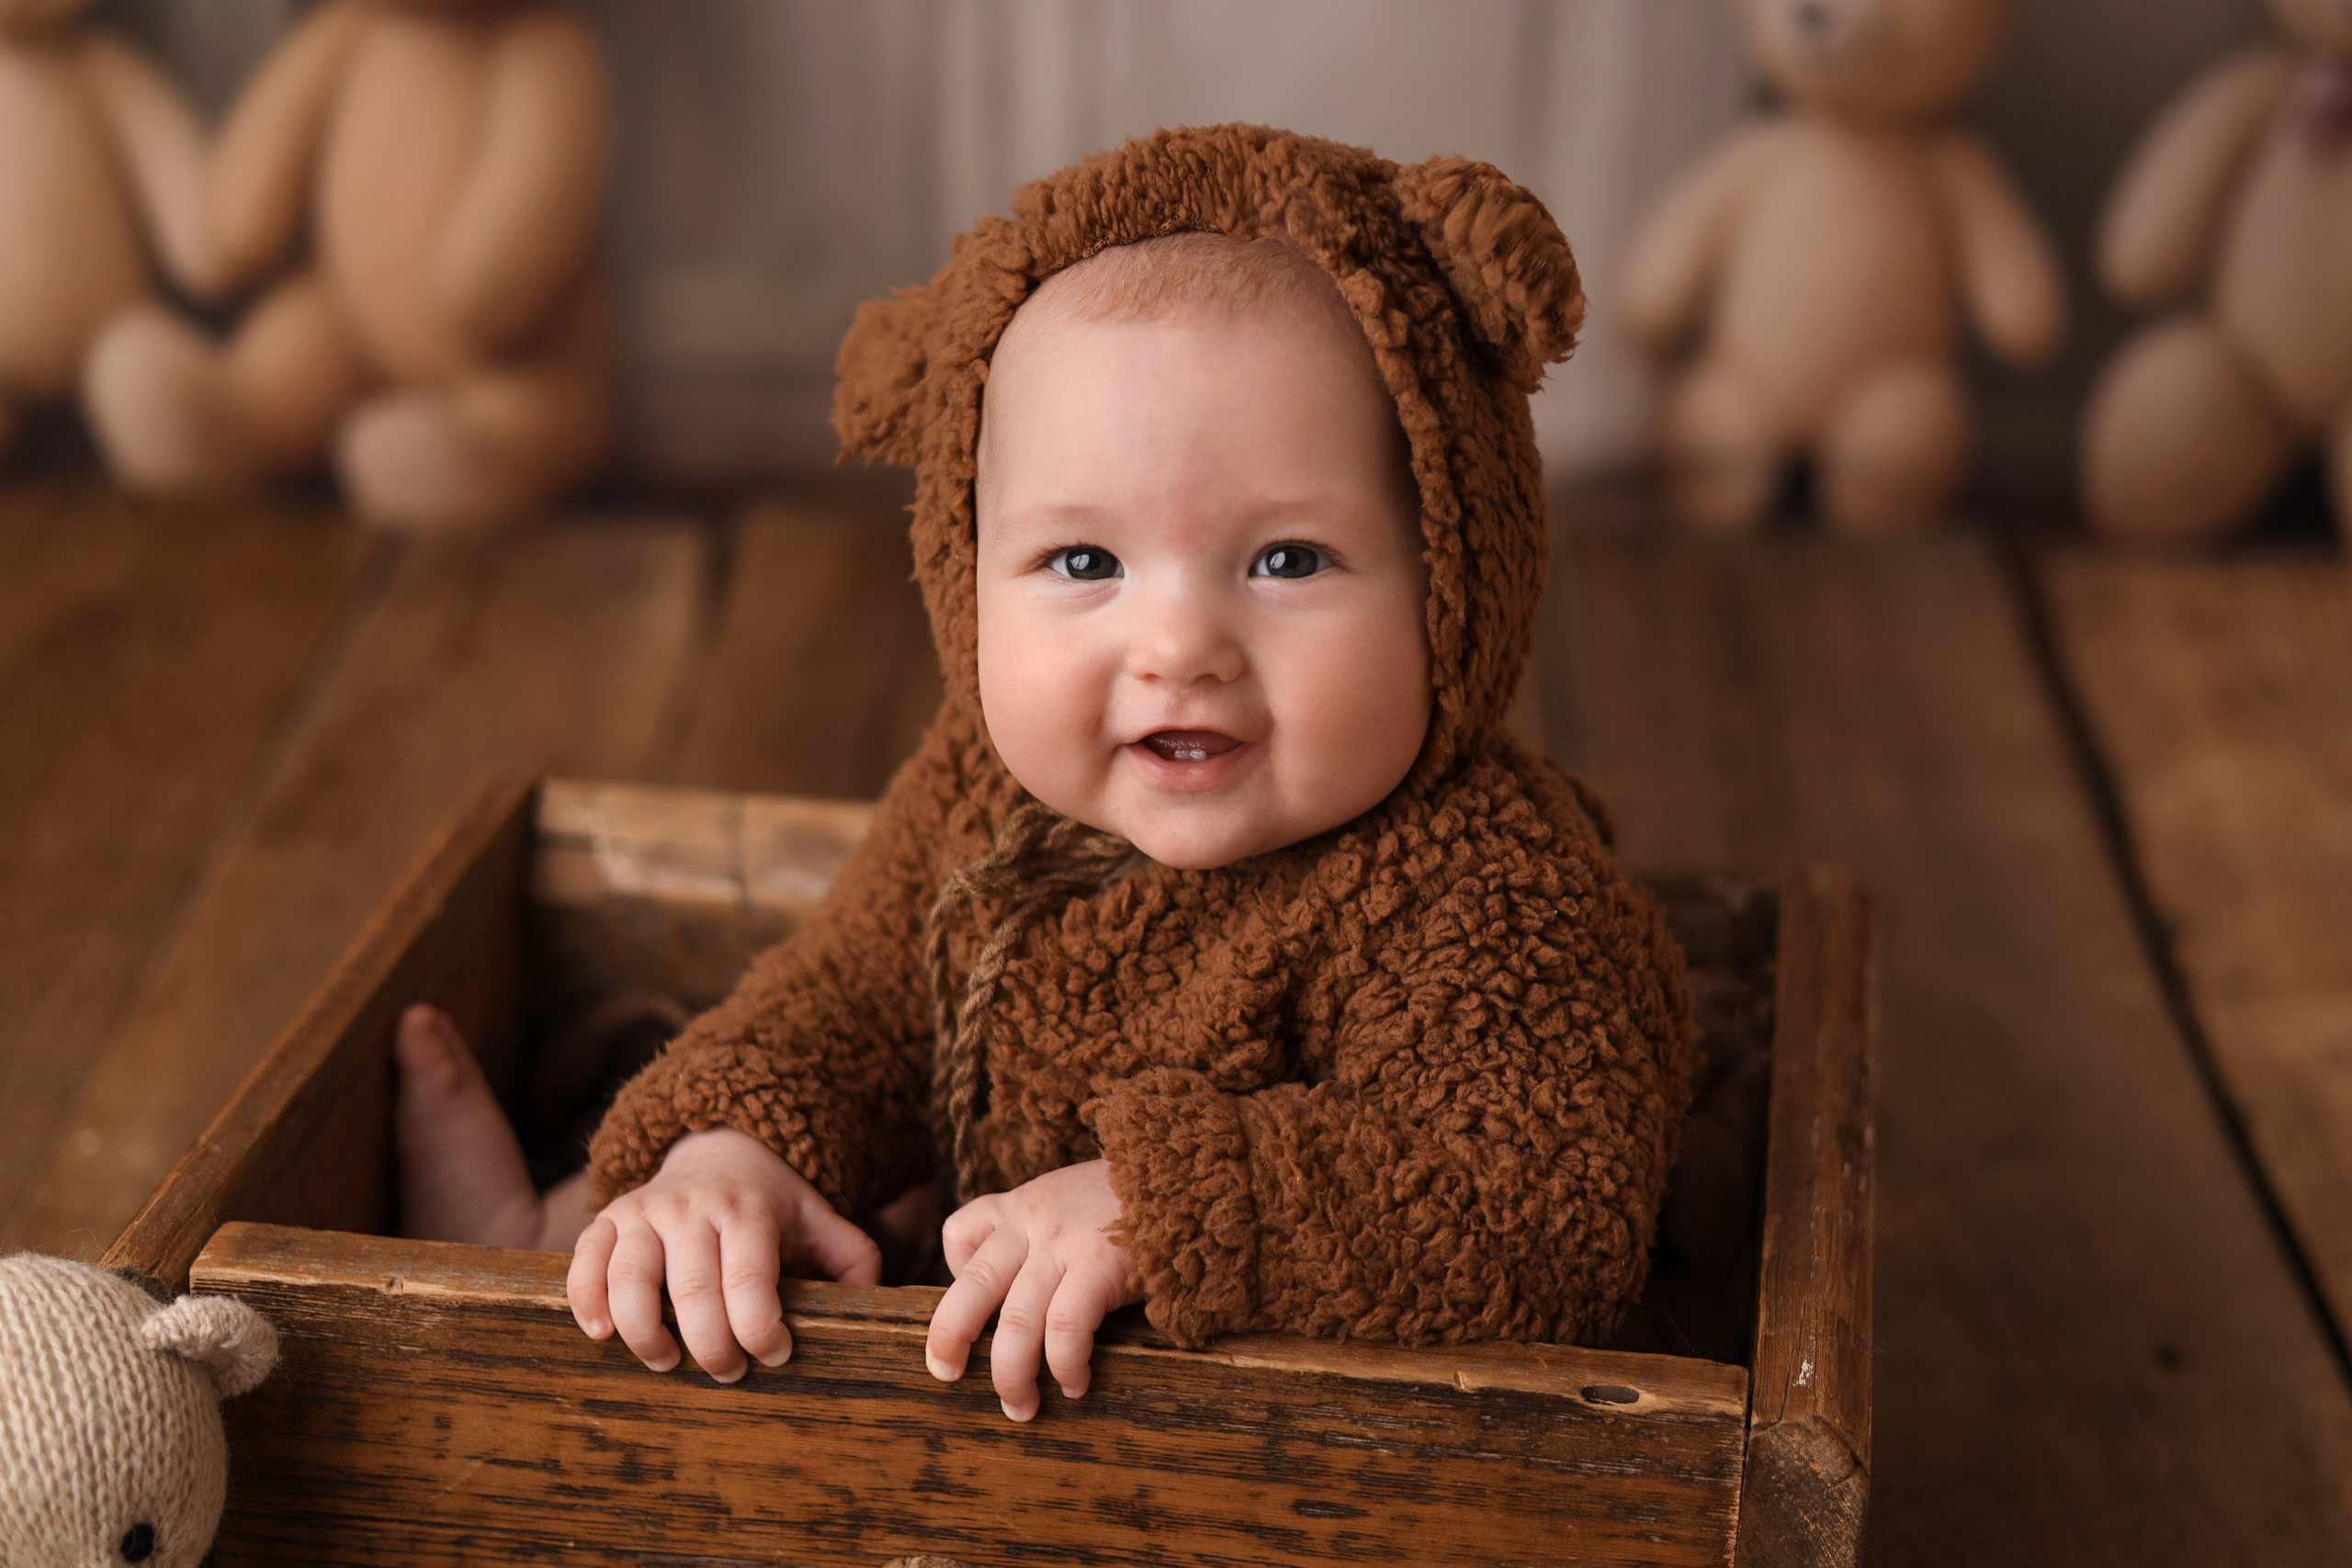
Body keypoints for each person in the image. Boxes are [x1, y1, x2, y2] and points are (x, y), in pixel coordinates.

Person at [393, 124, 1700, 1426]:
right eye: (1086, 564)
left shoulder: (1475, 887)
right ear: (968, 573)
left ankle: (543, 1235)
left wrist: (1179, 1201)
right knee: (723, 1232)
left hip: (1297, 1454)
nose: (1180, 646)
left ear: (1456, 577)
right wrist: (730, 1148)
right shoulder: (989, 792)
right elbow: (853, 995)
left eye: (1289, 560)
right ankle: (531, 1242)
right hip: (1002, 1353)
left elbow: (1540, 1204)